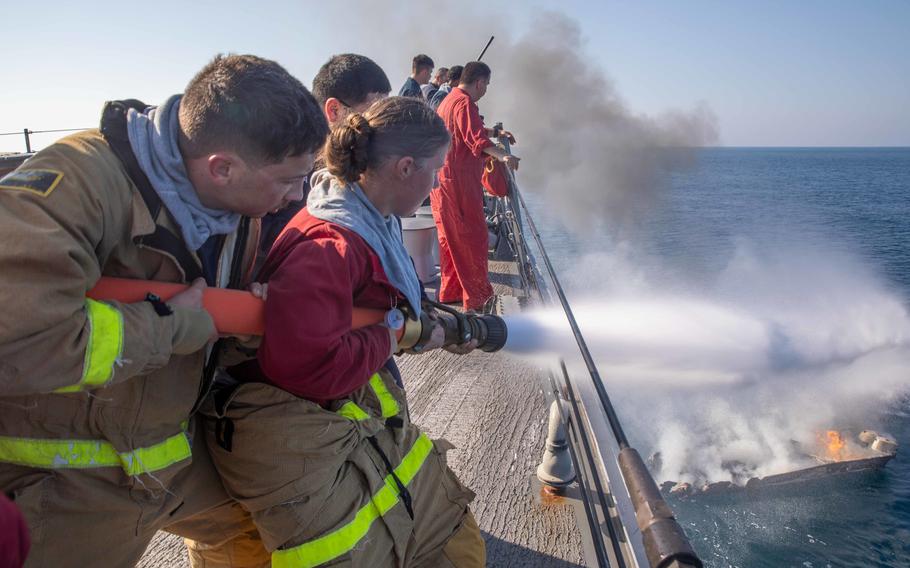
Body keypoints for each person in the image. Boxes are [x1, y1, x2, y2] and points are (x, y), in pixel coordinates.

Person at [0, 54, 328, 567]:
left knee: (263, 531)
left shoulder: (237, 204)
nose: (297, 195)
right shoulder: (73, 188)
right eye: (288, 180)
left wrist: (244, 324)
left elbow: (204, 321)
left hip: (163, 453)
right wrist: (172, 328)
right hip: (64, 480)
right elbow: (17, 339)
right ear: (222, 167)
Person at [201, 96, 485, 567]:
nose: (436, 183)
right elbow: (303, 367)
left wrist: (424, 322)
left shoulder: (368, 220)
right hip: (299, 428)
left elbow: (372, 302)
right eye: (434, 171)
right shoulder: (329, 248)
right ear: (405, 167)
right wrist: (393, 335)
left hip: (339, 409)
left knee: (452, 540)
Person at [259, 53, 392, 261]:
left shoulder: (363, 160)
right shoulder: (284, 158)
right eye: (371, 116)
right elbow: (260, 235)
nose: (379, 128)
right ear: (334, 110)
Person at [432, 61, 519, 311]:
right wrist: (503, 155)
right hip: (458, 182)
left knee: (450, 240)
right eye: (487, 85)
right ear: (479, 82)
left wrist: (495, 133)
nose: (486, 90)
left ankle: (451, 292)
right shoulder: (465, 103)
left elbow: (466, 129)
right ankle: (478, 297)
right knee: (472, 238)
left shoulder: (449, 100)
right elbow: (475, 138)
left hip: (442, 180)